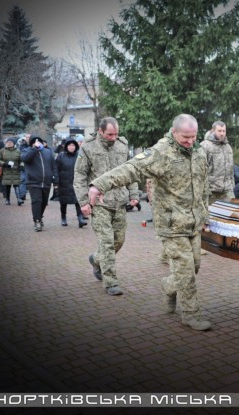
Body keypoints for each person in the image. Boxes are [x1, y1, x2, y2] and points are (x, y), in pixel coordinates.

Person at [87, 114, 211, 330]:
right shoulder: (160, 152)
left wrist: (205, 215)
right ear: (174, 132)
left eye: (193, 137)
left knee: (194, 267)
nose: (190, 141)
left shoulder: (199, 152)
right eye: (185, 137)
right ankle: (191, 314)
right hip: (172, 224)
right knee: (185, 271)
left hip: (193, 222)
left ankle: (169, 285)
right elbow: (131, 168)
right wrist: (99, 185)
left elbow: (203, 187)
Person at [74, 117, 139, 296]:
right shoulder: (88, 147)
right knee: (107, 242)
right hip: (100, 203)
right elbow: (79, 176)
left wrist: (134, 194)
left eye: (116, 134)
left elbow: (130, 172)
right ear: (101, 131)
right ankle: (110, 281)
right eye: (110, 134)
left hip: (119, 201)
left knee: (118, 240)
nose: (113, 137)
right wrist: (84, 202)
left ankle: (96, 259)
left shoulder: (122, 146)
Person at [21, 136, 58, 230]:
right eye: (35, 142)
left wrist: (55, 179)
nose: (37, 143)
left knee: (44, 202)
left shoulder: (48, 152)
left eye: (39, 142)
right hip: (33, 182)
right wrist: (34, 149)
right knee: (36, 201)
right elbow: (25, 159)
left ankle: (39, 217)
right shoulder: (27, 151)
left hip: (46, 182)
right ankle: (37, 221)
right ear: (31, 143)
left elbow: (53, 166)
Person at [56, 138, 87, 228]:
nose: (71, 147)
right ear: (66, 146)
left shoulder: (79, 156)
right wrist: (56, 182)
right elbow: (56, 169)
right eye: (69, 145)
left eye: (73, 145)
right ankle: (63, 218)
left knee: (78, 201)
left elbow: (83, 169)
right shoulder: (61, 156)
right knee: (63, 202)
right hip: (64, 182)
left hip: (76, 183)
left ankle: (80, 218)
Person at [201, 121, 234, 204]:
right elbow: (201, 170)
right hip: (211, 192)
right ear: (213, 131)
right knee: (210, 215)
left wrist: (232, 184)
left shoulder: (228, 147)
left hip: (227, 191)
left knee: (230, 213)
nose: (222, 133)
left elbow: (231, 169)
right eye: (219, 131)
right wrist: (205, 189)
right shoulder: (205, 146)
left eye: (224, 131)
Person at [0, 138, 23, 205]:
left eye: (11, 142)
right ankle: (7, 199)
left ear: (14, 143)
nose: (9, 143)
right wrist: (4, 164)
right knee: (7, 186)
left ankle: (19, 199)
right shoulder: (2, 150)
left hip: (16, 170)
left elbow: (22, 160)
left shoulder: (18, 151)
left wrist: (21, 165)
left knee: (16, 185)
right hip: (6, 171)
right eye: (8, 142)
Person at [17, 133, 31, 204]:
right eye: (27, 137)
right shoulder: (22, 146)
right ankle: (22, 196)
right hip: (23, 165)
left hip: (32, 166)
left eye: (29, 137)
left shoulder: (34, 145)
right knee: (22, 180)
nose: (28, 138)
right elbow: (20, 155)